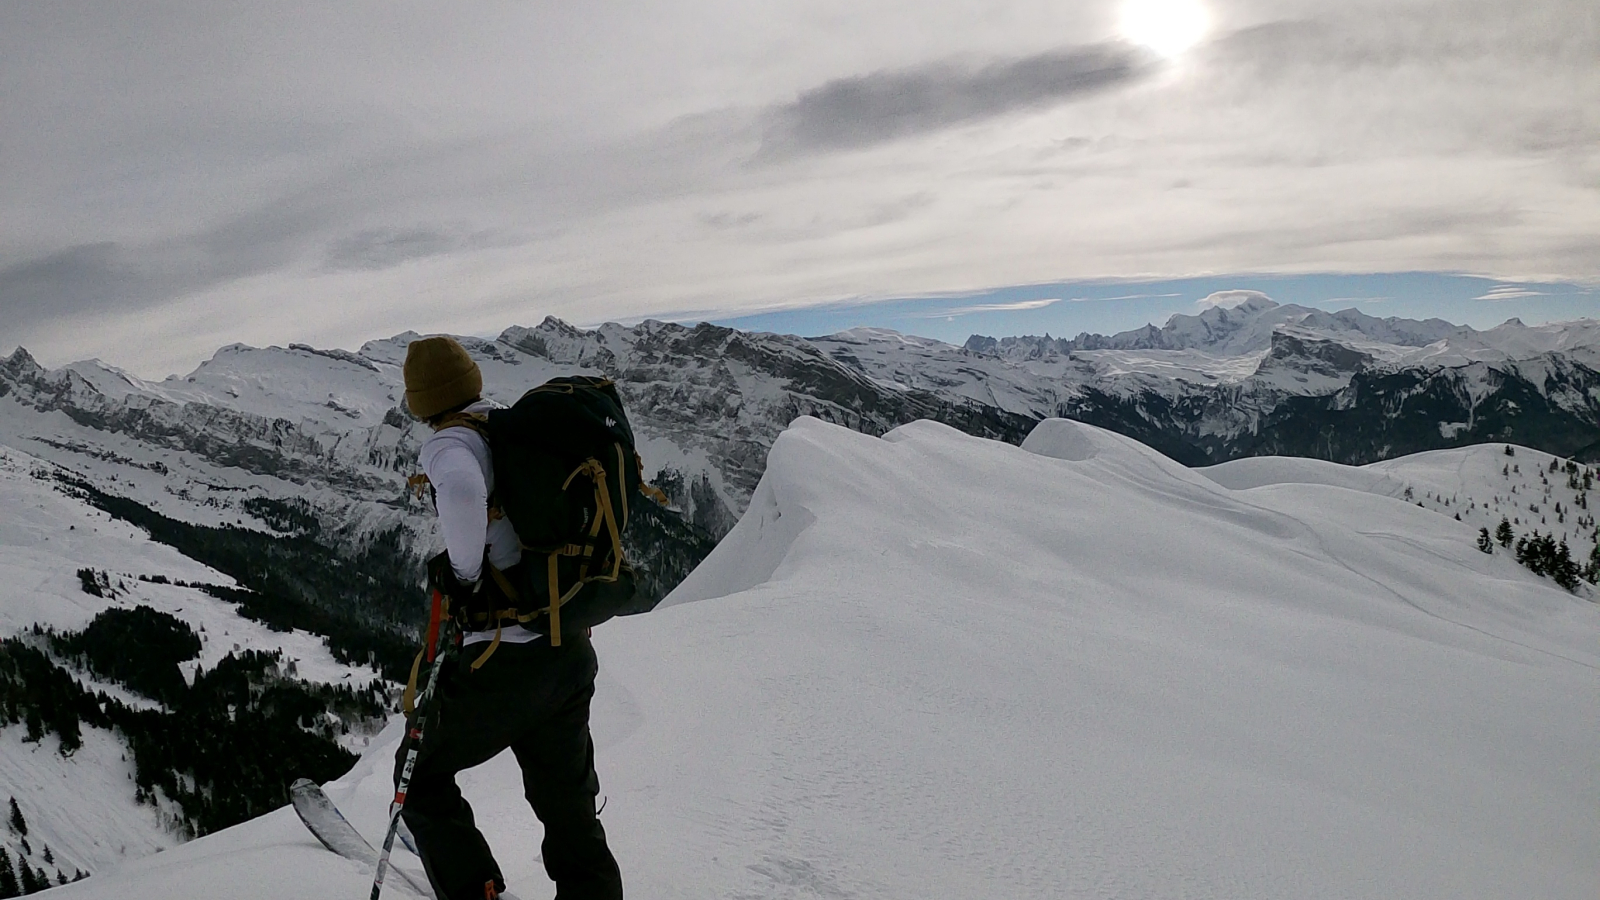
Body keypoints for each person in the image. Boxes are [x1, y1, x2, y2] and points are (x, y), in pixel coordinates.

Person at [398, 335, 624, 900]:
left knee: (418, 773)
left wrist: (465, 574)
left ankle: (476, 888)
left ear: (422, 401)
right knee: (569, 808)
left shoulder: (451, 446)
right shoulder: (509, 427)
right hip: (566, 649)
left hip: (505, 661)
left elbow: (462, 490)